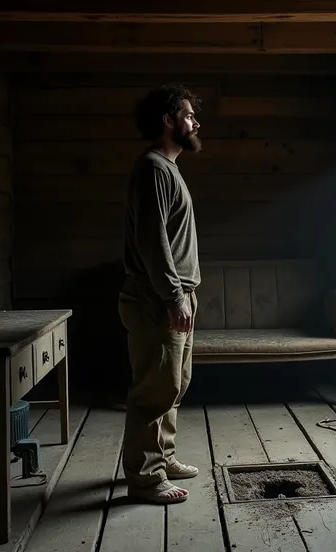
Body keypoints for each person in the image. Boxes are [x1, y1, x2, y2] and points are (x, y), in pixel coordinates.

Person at [118, 84, 202, 504]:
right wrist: (173, 296)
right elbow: (154, 242)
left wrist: (182, 294)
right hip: (158, 299)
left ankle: (162, 457)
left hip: (174, 295)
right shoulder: (153, 168)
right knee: (154, 388)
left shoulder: (167, 169)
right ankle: (146, 479)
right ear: (168, 121)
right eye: (188, 115)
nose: (195, 122)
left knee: (173, 384)